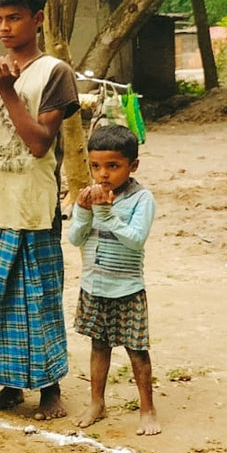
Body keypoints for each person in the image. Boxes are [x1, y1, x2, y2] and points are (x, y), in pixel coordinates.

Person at [0, 0, 80, 420]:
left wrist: (8, 92)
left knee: (39, 295)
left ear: (37, 18)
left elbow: (39, 144)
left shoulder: (55, 73)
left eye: (15, 18)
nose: (6, 27)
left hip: (33, 202)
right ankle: (10, 385)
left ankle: (50, 388)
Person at [67, 125, 159, 434]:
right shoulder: (92, 197)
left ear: (132, 166)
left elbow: (135, 239)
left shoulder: (141, 199)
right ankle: (97, 402)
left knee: (136, 349)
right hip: (95, 285)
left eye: (113, 166)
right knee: (99, 345)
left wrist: (106, 215)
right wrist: (82, 210)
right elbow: (76, 238)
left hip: (127, 288)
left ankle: (147, 408)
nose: (103, 174)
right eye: (95, 166)